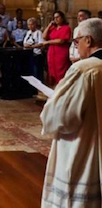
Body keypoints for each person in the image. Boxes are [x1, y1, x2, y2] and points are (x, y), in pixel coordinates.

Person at [40, 18, 102, 207]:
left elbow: (62, 117)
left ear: (88, 40)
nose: (76, 46)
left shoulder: (84, 69)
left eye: (77, 42)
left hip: (84, 146)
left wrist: (53, 103)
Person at [43, 11, 72, 85]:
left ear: (62, 18)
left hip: (61, 52)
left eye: (58, 17)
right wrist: (49, 26)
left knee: (61, 70)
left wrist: (48, 42)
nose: (56, 19)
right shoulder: (53, 28)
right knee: (52, 70)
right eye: (54, 17)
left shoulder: (66, 28)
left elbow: (61, 40)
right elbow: (44, 36)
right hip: (52, 52)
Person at [24, 18, 44, 82]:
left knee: (37, 71)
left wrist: (32, 46)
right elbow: (24, 43)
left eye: (32, 24)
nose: (30, 26)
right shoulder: (28, 32)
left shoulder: (38, 32)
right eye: (29, 25)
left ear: (35, 25)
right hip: (29, 54)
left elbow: (41, 43)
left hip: (37, 54)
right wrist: (28, 46)